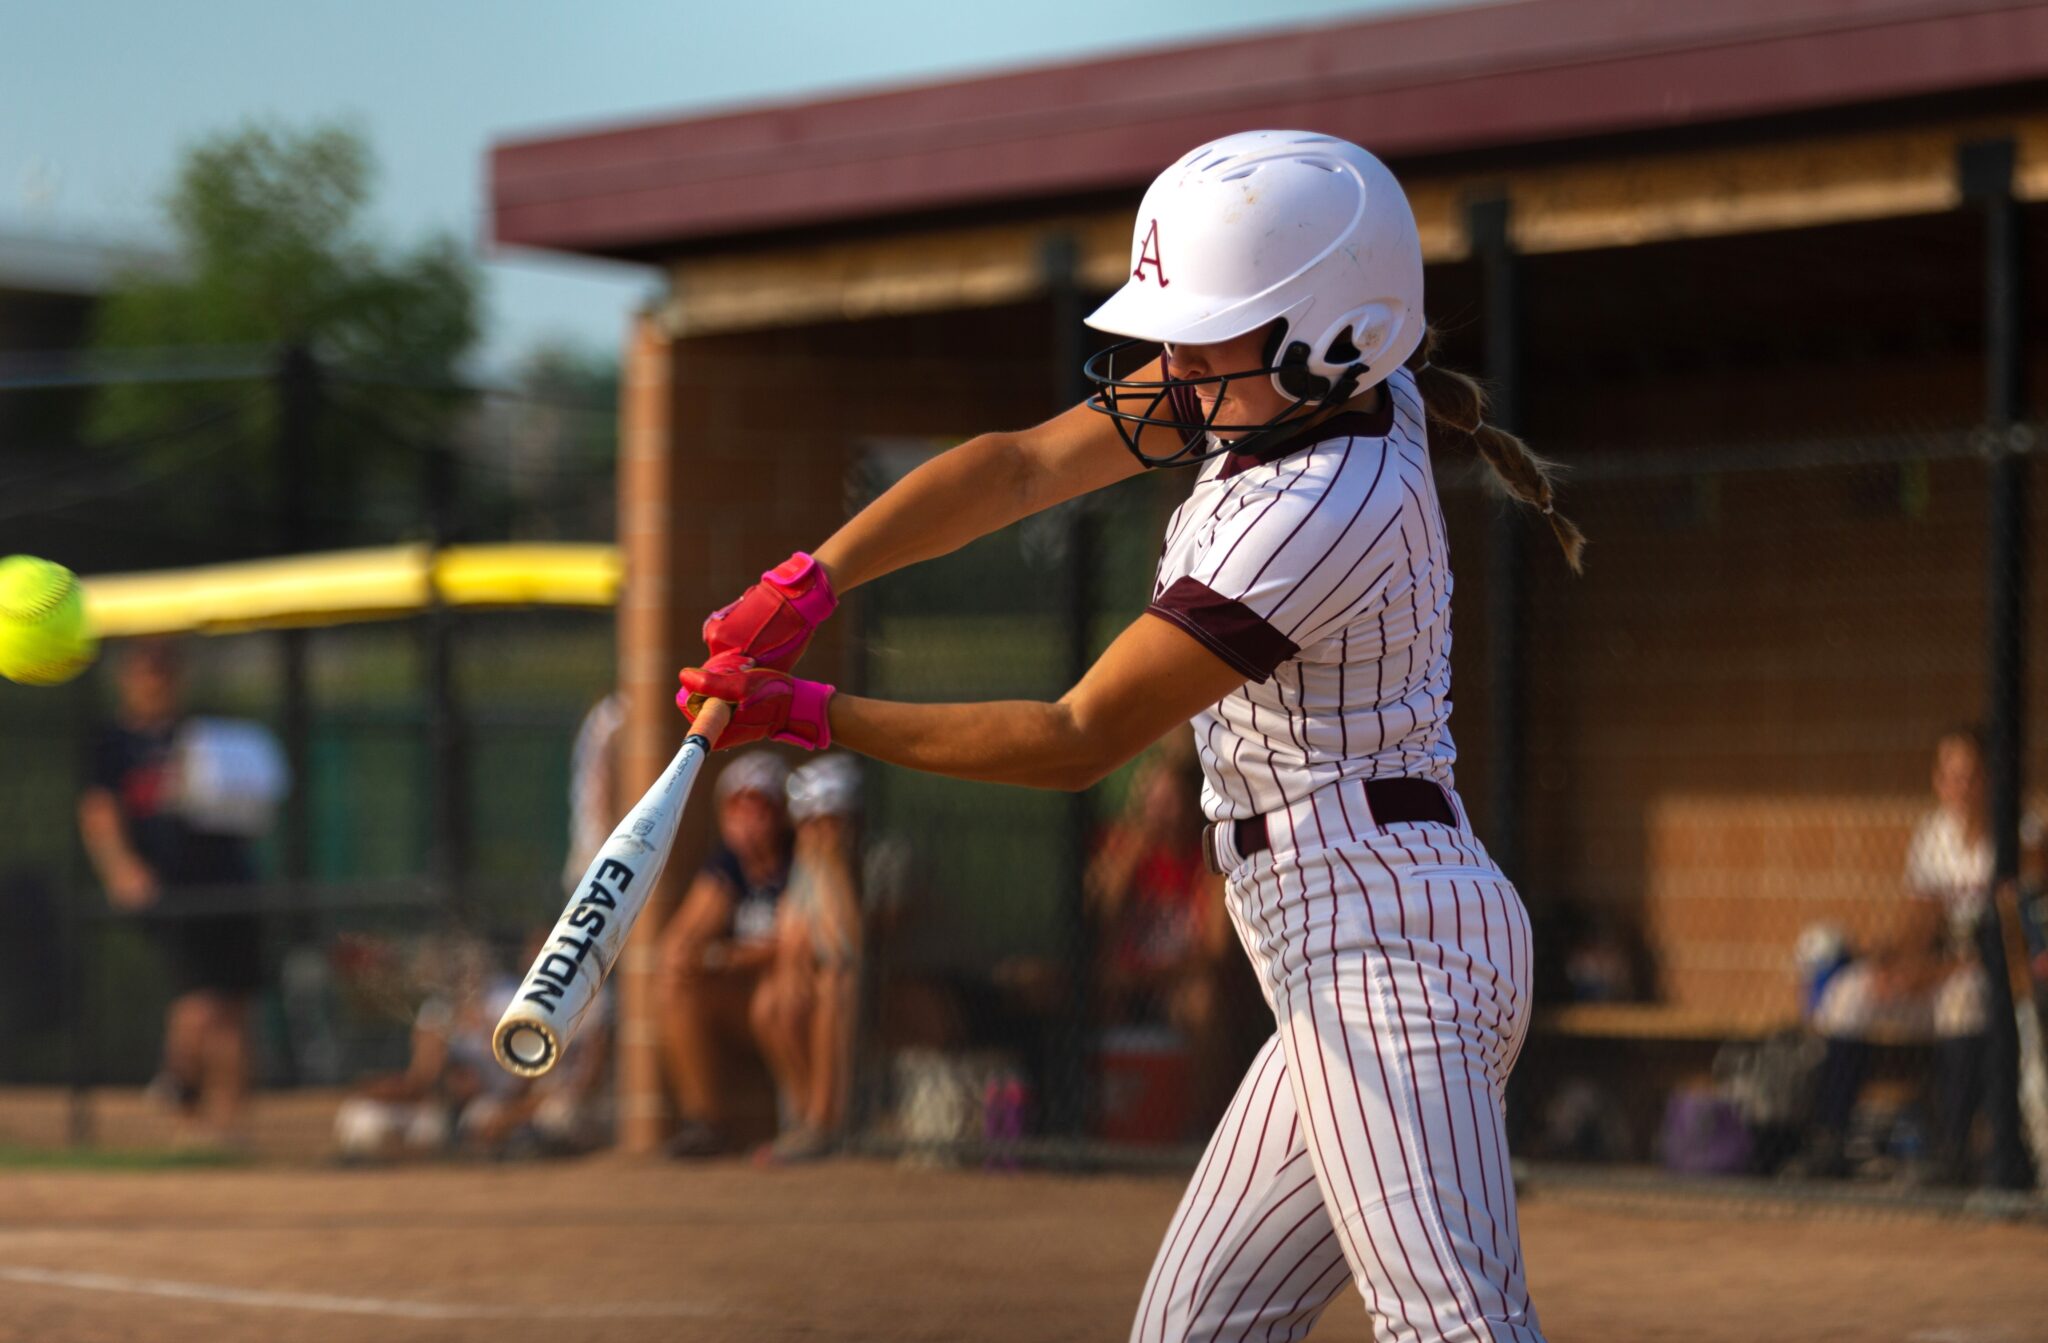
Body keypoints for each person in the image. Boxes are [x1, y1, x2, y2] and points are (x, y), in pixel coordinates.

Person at [679, 131, 1580, 1341]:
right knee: (1191, 1329)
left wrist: (810, 712)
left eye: (1212, 327)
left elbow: (1074, 734)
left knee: (1452, 1322)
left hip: (1387, 952)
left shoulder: (1314, 506)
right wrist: (808, 582)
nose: (1175, 360)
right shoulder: (1286, 388)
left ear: (1330, 334)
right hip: (1338, 936)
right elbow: (1016, 468)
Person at [1804, 727, 2045, 1186]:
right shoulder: (1936, 833)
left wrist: (1933, 971)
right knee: (1846, 994)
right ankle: (1829, 1141)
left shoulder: (2024, 835)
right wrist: (1894, 967)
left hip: (1993, 981)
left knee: (1965, 997)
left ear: (1993, 779)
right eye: (1948, 776)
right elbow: (1920, 921)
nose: (1957, 788)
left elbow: (2013, 942)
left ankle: (1953, 1151)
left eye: (1969, 776)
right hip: (1937, 974)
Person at [77, 638, 263, 1146]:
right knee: (201, 999)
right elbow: (99, 812)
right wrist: (121, 869)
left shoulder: (200, 734)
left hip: (227, 881)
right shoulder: (114, 743)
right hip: (171, 888)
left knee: (234, 1003)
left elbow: (250, 802)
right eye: (146, 672)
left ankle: (226, 1128)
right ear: (127, 679)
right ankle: (180, 1087)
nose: (156, 682)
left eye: (164, 672)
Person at [1088, 743, 1255, 1133]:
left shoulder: (1208, 860)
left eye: (1169, 801)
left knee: (1202, 1001)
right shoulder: (1126, 849)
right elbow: (1098, 916)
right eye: (1151, 800)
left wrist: (1152, 978)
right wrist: (1135, 849)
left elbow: (1214, 952)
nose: (1158, 812)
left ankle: (1200, 1128)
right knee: (1072, 986)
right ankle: (1095, 1120)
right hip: (1125, 983)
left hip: (1174, 986)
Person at [656, 750, 795, 1157]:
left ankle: (806, 1120)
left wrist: (723, 957)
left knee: (778, 997)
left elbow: (793, 944)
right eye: (738, 808)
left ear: (783, 814)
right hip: (745, 1002)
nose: (749, 821)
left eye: (761, 808)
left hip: (792, 996)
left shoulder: (799, 859)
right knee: (674, 990)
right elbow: (677, 945)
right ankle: (706, 1123)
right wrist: (695, 953)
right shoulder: (728, 867)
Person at [753, 754, 867, 1163]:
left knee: (837, 982)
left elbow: (850, 945)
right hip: (836, 987)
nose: (819, 834)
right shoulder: (803, 869)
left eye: (831, 822)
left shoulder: (881, 860)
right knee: (770, 1000)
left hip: (894, 995)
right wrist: (790, 971)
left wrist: (831, 865)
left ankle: (825, 1121)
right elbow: (792, 939)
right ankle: (805, 1120)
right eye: (808, 823)